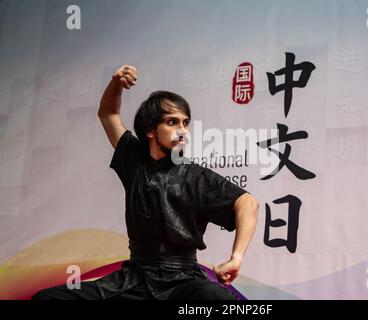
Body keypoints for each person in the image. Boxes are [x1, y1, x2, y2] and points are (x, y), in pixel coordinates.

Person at [32, 65, 259, 300]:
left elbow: (248, 203)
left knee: (215, 297)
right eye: (172, 122)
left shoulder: (197, 176)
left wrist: (237, 258)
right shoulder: (133, 159)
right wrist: (116, 83)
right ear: (150, 130)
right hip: (134, 279)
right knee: (49, 298)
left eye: (185, 122)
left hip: (182, 281)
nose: (183, 131)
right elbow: (108, 113)